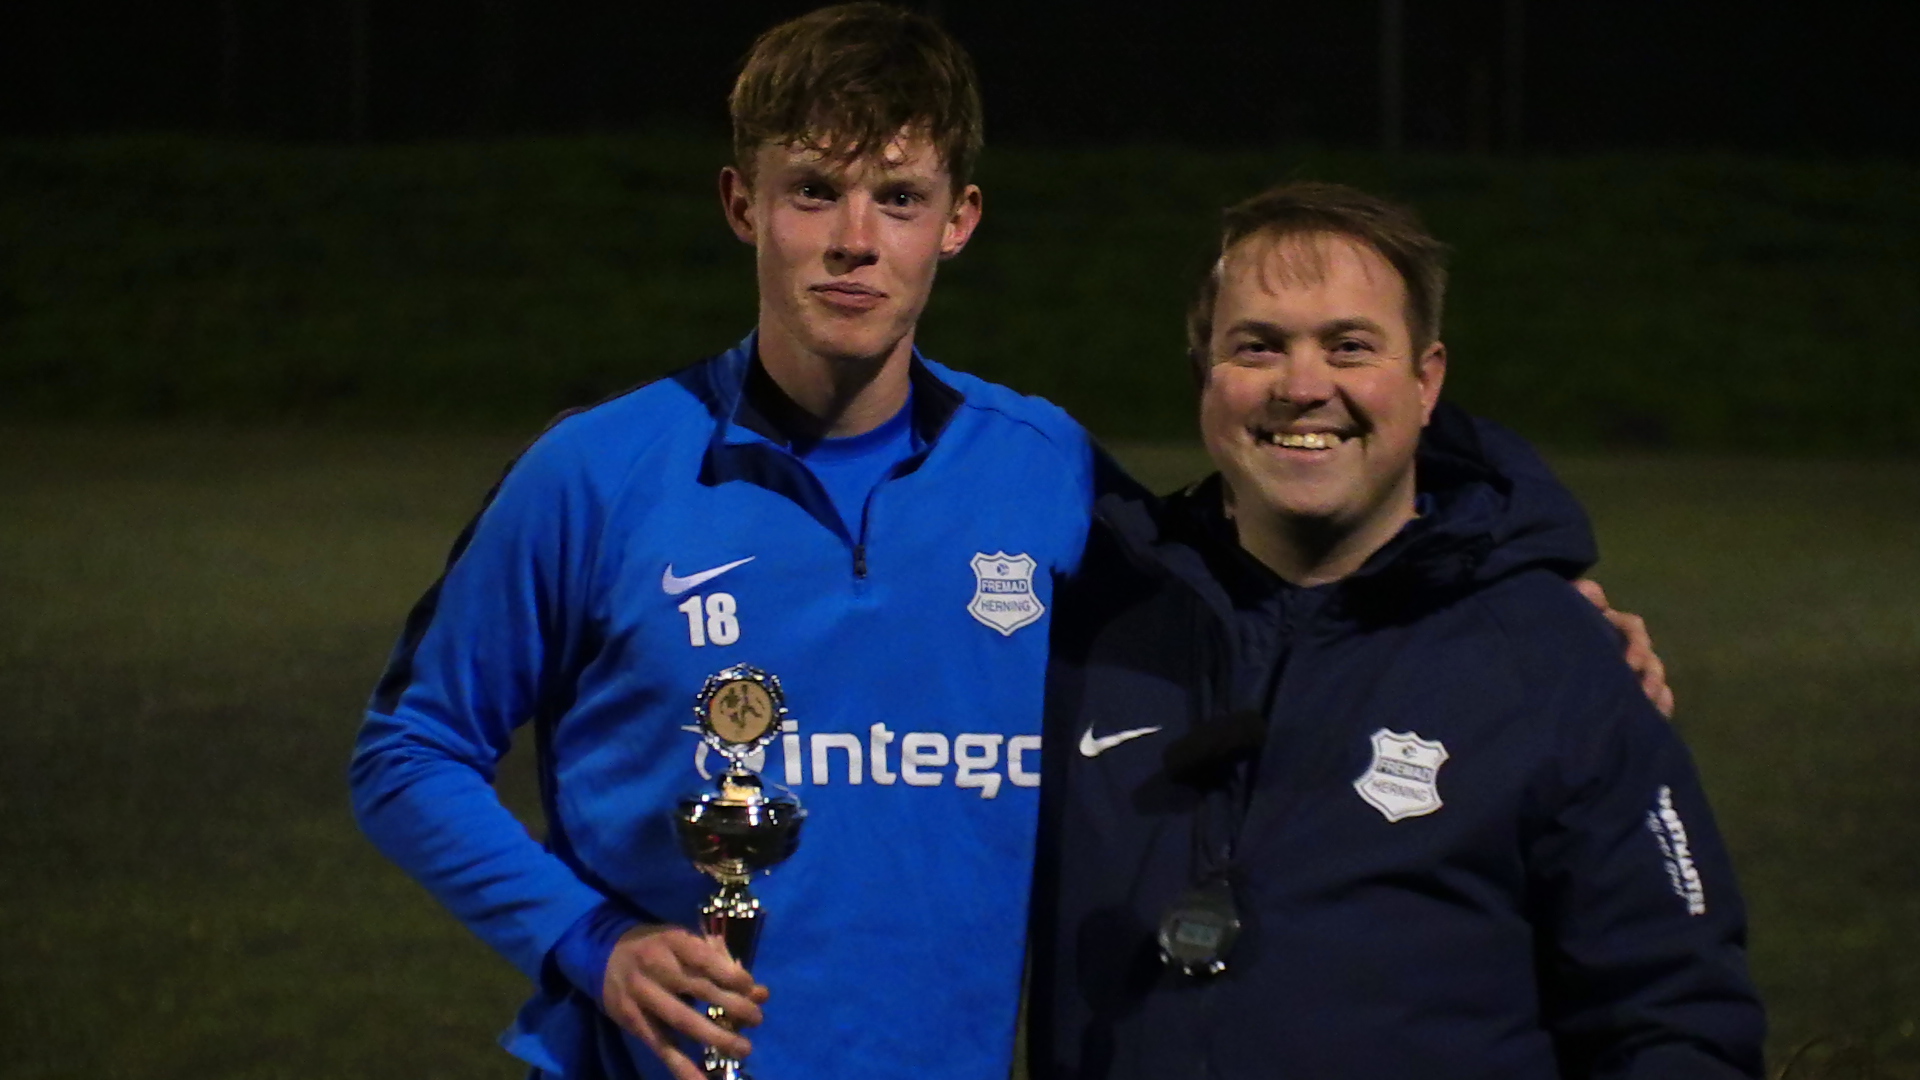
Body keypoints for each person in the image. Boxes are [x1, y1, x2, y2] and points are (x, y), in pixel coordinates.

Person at [350, 7, 1672, 1080]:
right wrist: (591, 942)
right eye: (813, 192)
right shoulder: (595, 473)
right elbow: (409, 751)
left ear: (960, 219)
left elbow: (1274, 567)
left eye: (898, 196)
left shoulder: (1040, 469)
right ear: (743, 204)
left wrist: (1533, 582)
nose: (854, 241)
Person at [1029, 181, 1765, 1079]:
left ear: (1427, 379)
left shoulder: (1554, 659)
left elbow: (1675, 1017)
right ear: (1203, 377)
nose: (1304, 388)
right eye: (1258, 346)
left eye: (1349, 346)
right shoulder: (1090, 629)